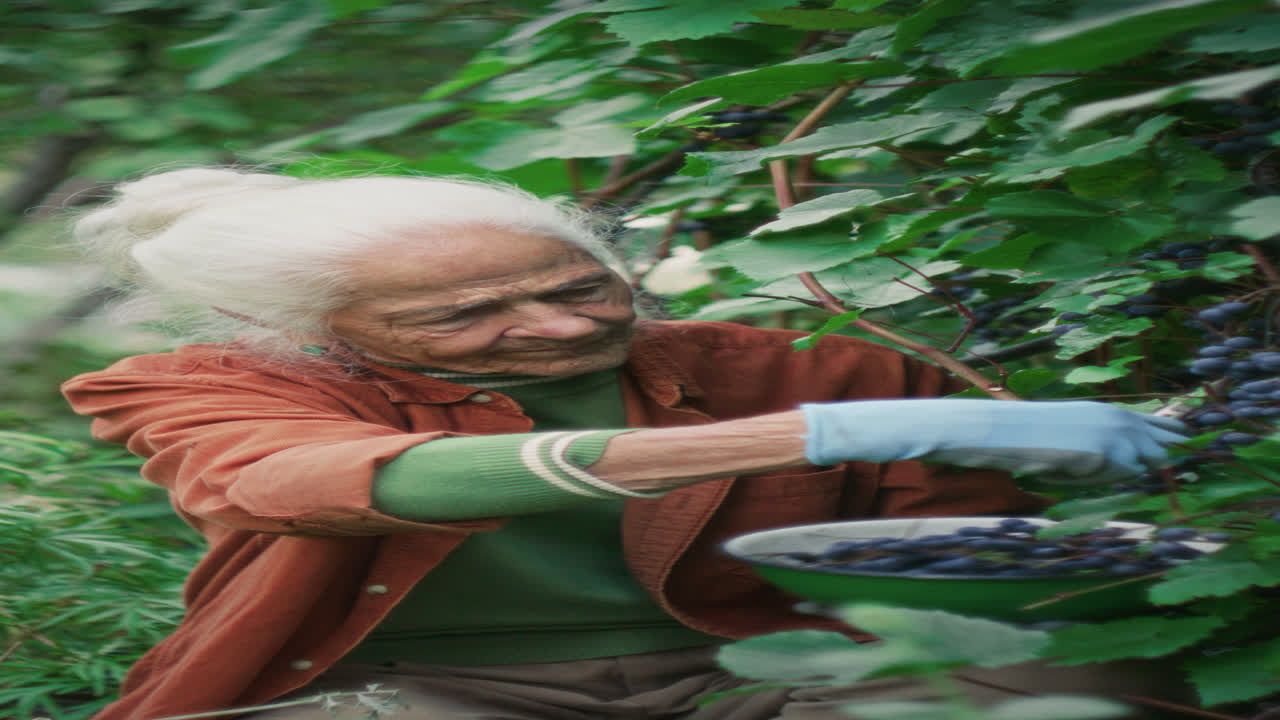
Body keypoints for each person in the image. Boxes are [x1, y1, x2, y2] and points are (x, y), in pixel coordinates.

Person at [61, 168, 1189, 720]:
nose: (562, 326)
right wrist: (812, 440)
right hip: (431, 692)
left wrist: (1070, 551)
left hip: (766, 672)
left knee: (1112, 689)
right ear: (303, 332)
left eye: (579, 285)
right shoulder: (218, 385)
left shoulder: (797, 362)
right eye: (464, 317)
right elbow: (300, 483)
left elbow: (938, 556)